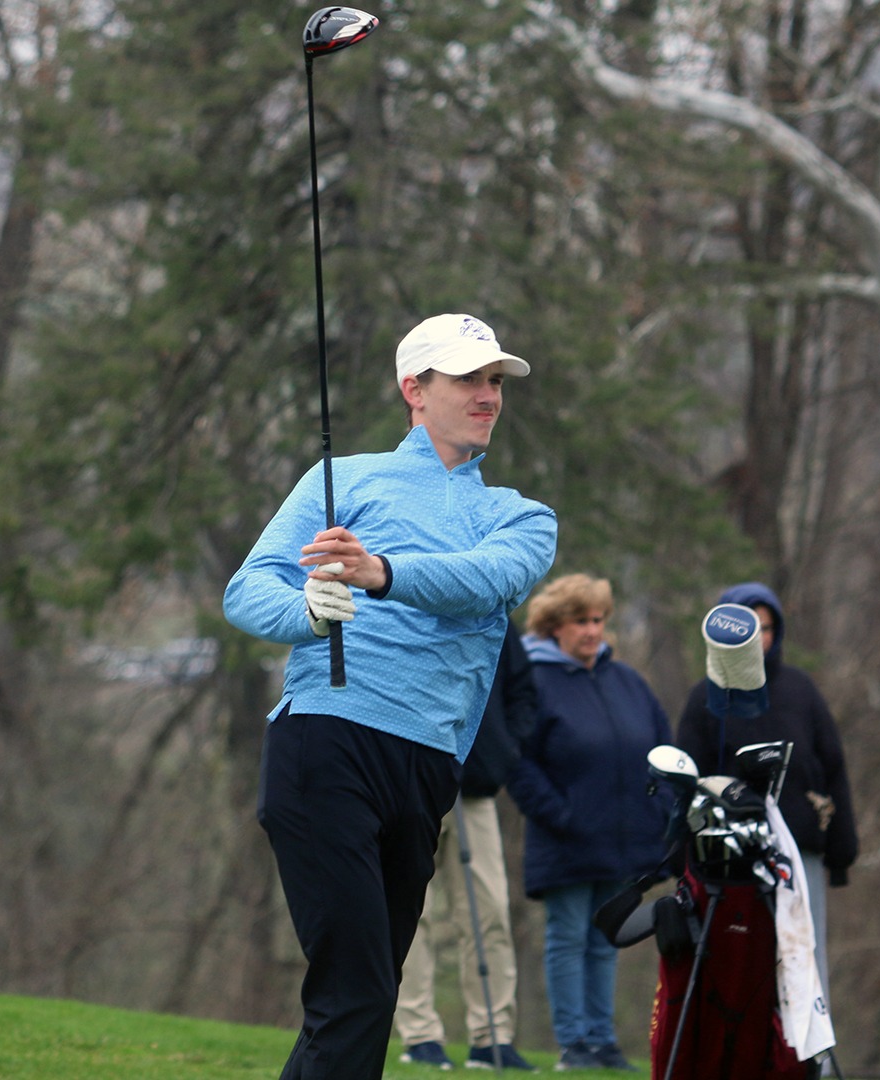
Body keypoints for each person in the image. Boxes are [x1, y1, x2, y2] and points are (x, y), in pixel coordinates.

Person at [224, 313, 557, 1079]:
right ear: (415, 389)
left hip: (426, 767)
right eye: (469, 378)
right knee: (358, 994)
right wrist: (306, 612)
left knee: (359, 998)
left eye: (495, 381)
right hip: (325, 743)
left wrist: (381, 572)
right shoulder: (343, 481)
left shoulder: (519, 517)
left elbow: (488, 582)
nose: (488, 396)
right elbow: (249, 590)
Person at [509, 574, 672, 1073]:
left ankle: (603, 1042)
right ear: (553, 627)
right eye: (581, 621)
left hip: (624, 841)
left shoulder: (627, 681)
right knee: (567, 937)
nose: (592, 630)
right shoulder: (534, 681)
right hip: (565, 840)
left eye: (598, 619)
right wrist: (560, 813)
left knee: (607, 939)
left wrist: (661, 809)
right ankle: (573, 1044)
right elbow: (517, 760)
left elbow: (663, 750)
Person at [675, 582, 857, 1001]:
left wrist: (841, 849)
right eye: (751, 626)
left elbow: (832, 766)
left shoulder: (801, 690)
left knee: (803, 952)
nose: (761, 636)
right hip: (727, 859)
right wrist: (678, 856)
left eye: (769, 627)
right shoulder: (705, 697)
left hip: (799, 850)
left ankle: (811, 1062)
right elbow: (686, 782)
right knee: (734, 956)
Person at [395, 622, 539, 1072]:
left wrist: (503, 751)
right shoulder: (396, 595)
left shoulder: (490, 608)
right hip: (409, 783)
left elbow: (521, 692)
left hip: (473, 789)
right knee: (409, 913)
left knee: (490, 910)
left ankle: (492, 1037)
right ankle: (419, 1035)